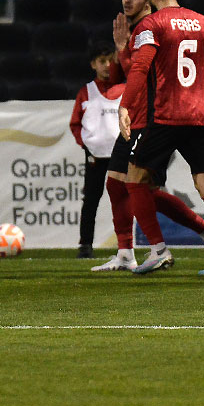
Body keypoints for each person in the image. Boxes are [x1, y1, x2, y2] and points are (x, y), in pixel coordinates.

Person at [95, 0, 204, 273]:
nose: (127, 0)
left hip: (152, 118)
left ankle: (187, 237)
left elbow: (140, 72)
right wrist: (120, 51)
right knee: (119, 183)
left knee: (138, 186)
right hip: (138, 116)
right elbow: (120, 77)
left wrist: (122, 50)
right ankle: (127, 252)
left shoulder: (152, 27)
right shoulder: (138, 28)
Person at [119, 0, 204, 275]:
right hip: (201, 116)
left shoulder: (150, 25)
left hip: (166, 116)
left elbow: (140, 67)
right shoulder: (203, 22)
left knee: (135, 180)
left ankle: (158, 250)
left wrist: (125, 106)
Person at [69, 43, 124, 259]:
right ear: (93, 64)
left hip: (120, 155)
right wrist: (86, 144)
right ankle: (85, 245)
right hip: (95, 155)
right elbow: (75, 123)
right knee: (91, 199)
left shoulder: (124, 89)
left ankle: (125, 246)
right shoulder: (86, 92)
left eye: (111, 60)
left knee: (122, 200)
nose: (107, 65)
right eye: (102, 61)